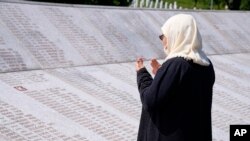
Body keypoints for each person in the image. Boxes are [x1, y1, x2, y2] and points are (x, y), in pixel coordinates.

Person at [135, 14, 215, 141]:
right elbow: (183, 91)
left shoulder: (177, 64)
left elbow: (150, 100)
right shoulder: (206, 63)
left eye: (164, 36)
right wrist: (162, 73)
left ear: (176, 35)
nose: (162, 41)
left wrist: (141, 73)